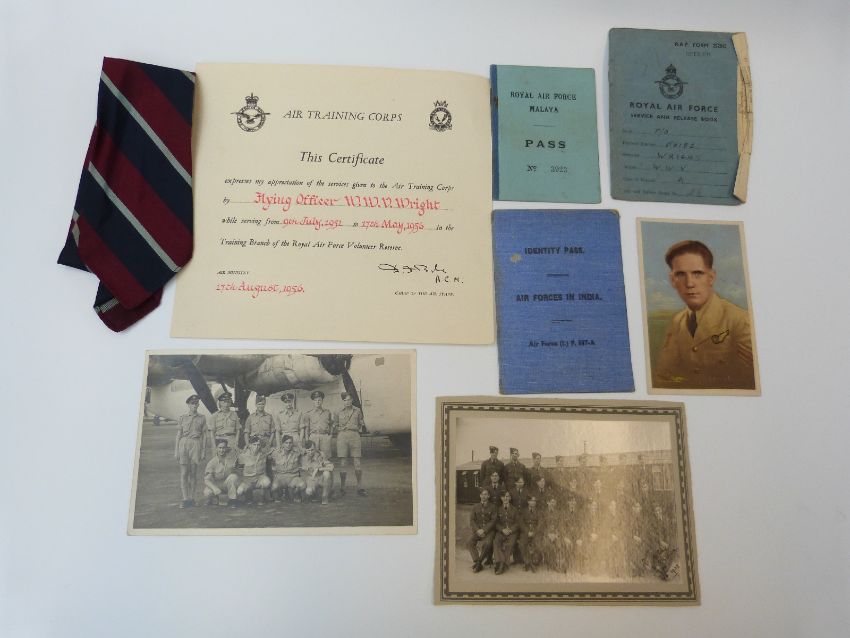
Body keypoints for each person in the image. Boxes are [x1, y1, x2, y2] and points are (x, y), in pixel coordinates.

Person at [655, 239, 755, 389]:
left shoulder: (740, 320)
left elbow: (752, 382)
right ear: (673, 280)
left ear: (711, 277)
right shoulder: (678, 321)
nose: (689, 283)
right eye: (681, 274)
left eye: (697, 274)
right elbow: (663, 376)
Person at [174, 394, 207, 508]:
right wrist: (176, 451)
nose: (194, 405)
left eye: (196, 403)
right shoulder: (182, 417)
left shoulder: (202, 418)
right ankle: (185, 499)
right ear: (188, 404)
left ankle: (192, 498)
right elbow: (178, 435)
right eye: (192, 403)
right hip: (183, 444)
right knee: (184, 473)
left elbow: (204, 435)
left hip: (195, 444)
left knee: (193, 473)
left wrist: (203, 451)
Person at [335, 391, 367, 496]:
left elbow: (361, 423)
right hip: (342, 437)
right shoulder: (338, 411)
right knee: (343, 462)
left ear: (352, 400)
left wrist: (355, 428)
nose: (347, 402)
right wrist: (340, 428)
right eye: (345, 400)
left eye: (349, 400)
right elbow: (335, 425)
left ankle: (360, 487)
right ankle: (342, 487)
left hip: (354, 436)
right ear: (342, 401)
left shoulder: (357, 410)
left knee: (357, 461)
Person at [466, 488, 497, 573]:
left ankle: (479, 563)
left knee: (487, 544)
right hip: (478, 531)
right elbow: (472, 520)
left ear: (489, 496)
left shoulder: (493, 507)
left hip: (489, 531)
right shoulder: (475, 507)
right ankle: (477, 561)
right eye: (482, 494)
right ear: (480, 496)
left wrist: (484, 530)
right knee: (469, 542)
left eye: (486, 494)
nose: (484, 496)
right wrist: (478, 530)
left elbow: (493, 521)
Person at [235, 434, 272, 505]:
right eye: (254, 445)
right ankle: (248, 497)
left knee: (267, 482)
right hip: (247, 480)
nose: (256, 447)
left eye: (258, 445)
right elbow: (238, 470)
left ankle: (261, 498)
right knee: (240, 491)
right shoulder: (243, 456)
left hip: (259, 479)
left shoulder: (263, 455)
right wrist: (242, 482)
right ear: (250, 445)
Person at [203, 438, 239, 506]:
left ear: (226, 448)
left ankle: (232, 500)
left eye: (223, 448)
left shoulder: (231, 459)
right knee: (207, 493)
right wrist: (214, 488)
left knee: (233, 476)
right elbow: (206, 480)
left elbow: (237, 472)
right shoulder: (212, 462)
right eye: (220, 448)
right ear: (216, 448)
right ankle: (213, 499)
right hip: (216, 484)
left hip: (226, 484)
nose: (222, 450)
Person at [269, 435, 306, 503]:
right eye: (286, 443)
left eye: (290, 443)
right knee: (274, 487)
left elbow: (307, 452)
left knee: (302, 485)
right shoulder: (276, 453)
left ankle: (294, 493)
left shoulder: (297, 452)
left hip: (293, 477)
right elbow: (266, 458)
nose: (288, 445)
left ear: (292, 444)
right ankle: (280, 495)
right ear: (282, 444)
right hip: (280, 477)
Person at [493, 489, 522, 575]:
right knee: (496, 542)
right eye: (503, 496)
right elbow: (496, 523)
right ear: (501, 498)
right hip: (501, 531)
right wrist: (502, 529)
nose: (505, 498)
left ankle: (501, 564)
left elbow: (518, 523)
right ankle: (501, 562)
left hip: (512, 532)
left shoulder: (514, 509)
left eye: (507, 496)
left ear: (510, 498)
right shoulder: (498, 509)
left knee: (510, 544)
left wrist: (511, 530)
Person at [300, 439, 334, 505]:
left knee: (326, 473)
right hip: (311, 479)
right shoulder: (302, 457)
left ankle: (325, 496)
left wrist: (319, 469)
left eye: (312, 450)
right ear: (305, 450)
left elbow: (331, 467)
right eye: (308, 450)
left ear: (315, 448)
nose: (310, 452)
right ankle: (316, 493)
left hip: (321, 478)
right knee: (309, 492)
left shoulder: (320, 455)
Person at [518, 495, 543, 572]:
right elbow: (521, 523)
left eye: (534, 501)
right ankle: (527, 562)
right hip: (526, 532)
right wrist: (527, 532)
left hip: (536, 532)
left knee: (538, 544)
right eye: (531, 501)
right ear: (528, 502)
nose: (533, 502)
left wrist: (534, 532)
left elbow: (540, 524)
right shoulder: (523, 511)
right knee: (521, 544)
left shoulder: (539, 512)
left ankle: (534, 562)